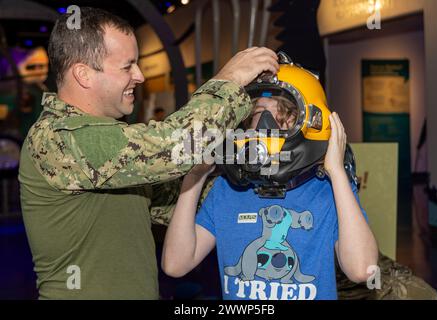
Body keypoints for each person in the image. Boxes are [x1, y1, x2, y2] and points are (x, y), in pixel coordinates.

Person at [18, 7, 279, 299]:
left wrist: (269, 183)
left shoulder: (109, 149)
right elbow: (175, 146)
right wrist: (229, 80)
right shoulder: (60, 138)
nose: (140, 76)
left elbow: (174, 199)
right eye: (127, 66)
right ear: (84, 74)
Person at [162, 94, 379, 300]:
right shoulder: (226, 190)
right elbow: (175, 264)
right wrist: (195, 177)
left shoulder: (327, 190)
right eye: (261, 111)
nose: (270, 125)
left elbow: (362, 270)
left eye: (286, 116)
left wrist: (338, 174)